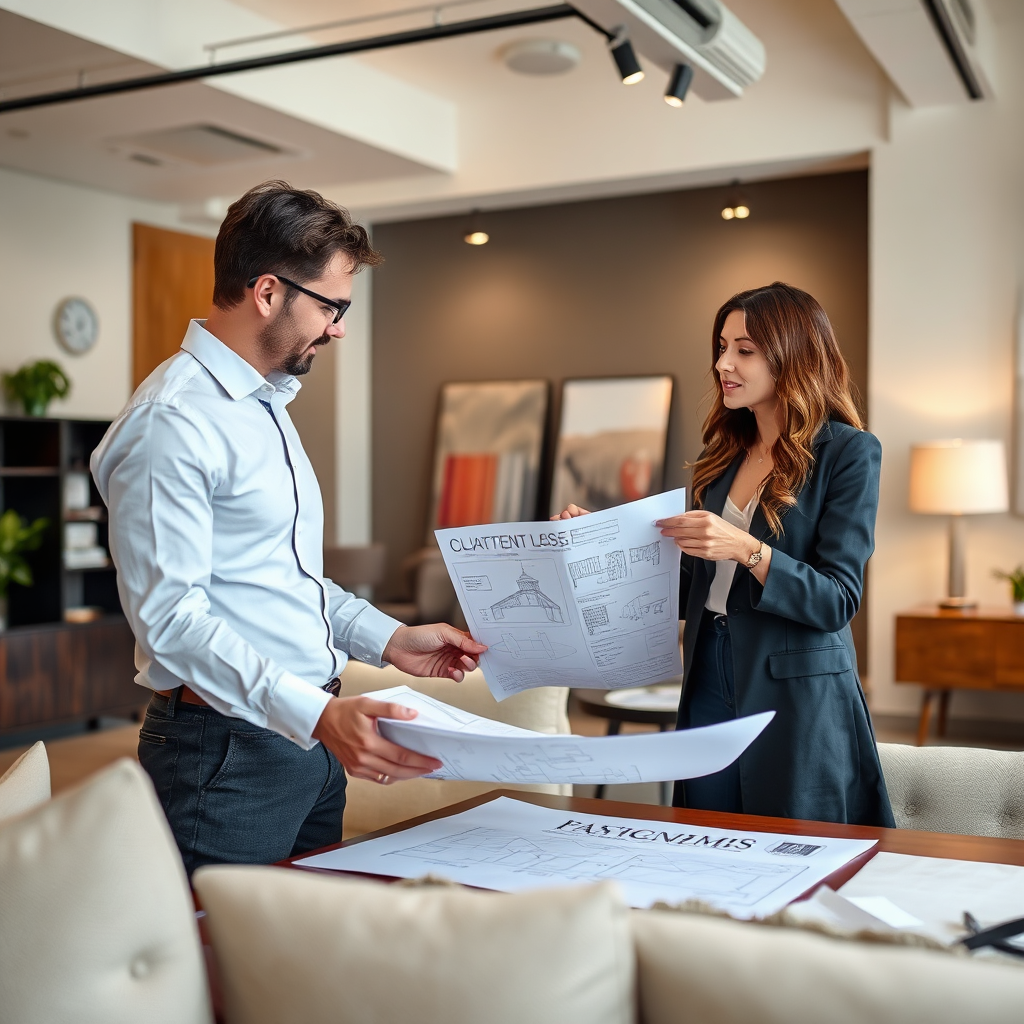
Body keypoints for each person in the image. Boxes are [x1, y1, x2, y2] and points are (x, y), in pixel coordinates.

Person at [92, 181, 486, 872]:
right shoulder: (173, 421)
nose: (338, 328)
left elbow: (283, 578)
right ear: (268, 292)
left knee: (291, 961)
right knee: (212, 965)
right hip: (225, 757)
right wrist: (315, 715)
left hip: (304, 737)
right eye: (331, 306)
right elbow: (171, 623)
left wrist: (389, 638)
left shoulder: (265, 404)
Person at [555, 282, 892, 826]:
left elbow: (837, 601)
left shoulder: (849, 452)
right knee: (707, 824)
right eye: (721, 346)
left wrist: (747, 549)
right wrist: (604, 537)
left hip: (795, 687)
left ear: (792, 355)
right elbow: (693, 579)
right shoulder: (724, 454)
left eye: (744, 350)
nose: (722, 364)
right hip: (708, 663)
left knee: (792, 834)